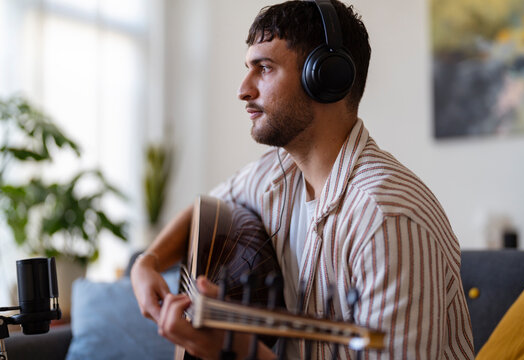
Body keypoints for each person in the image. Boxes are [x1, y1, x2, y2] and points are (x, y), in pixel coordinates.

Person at [131, 0, 475, 359]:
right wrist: (148, 262)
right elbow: (206, 209)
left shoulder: (386, 218)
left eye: (263, 68)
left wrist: (233, 350)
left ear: (325, 78)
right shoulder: (275, 175)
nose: (243, 89)